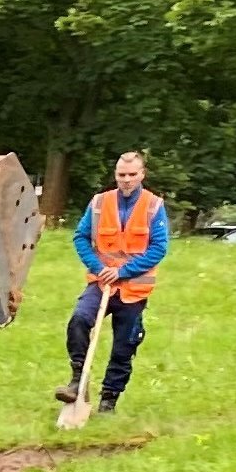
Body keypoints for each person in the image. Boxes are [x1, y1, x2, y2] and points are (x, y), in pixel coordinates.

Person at [54, 151, 168, 416]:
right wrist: (100, 268)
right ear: (115, 174)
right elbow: (81, 238)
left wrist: (124, 271)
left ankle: (109, 399)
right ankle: (78, 380)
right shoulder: (98, 203)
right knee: (80, 319)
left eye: (131, 175)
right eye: (121, 175)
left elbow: (159, 247)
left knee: (124, 344)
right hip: (101, 283)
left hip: (134, 289)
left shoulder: (153, 205)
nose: (126, 180)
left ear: (142, 174)